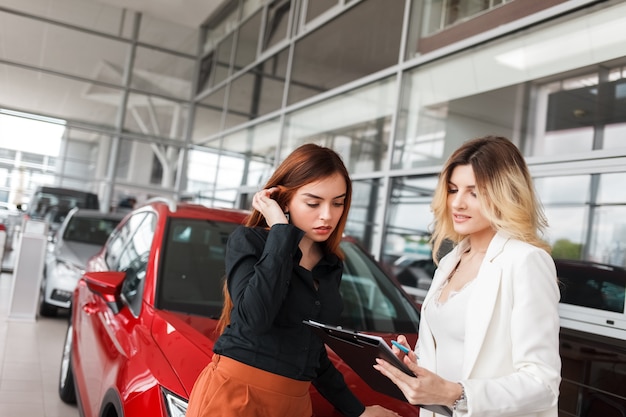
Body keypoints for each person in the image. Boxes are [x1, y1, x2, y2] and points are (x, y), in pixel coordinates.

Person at [186, 143, 400, 417]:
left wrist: (357, 411)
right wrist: (280, 231)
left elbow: (312, 350)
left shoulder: (330, 266)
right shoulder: (250, 241)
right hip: (237, 395)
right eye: (313, 203)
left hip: (295, 404)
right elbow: (254, 319)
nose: (328, 215)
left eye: (338, 202)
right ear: (284, 200)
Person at [373, 136, 561, 417]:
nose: (457, 203)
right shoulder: (450, 261)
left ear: (504, 193)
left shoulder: (525, 261)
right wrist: (414, 364)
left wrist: (457, 393)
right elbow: (449, 354)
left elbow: (542, 384)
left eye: (474, 192)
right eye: (452, 190)